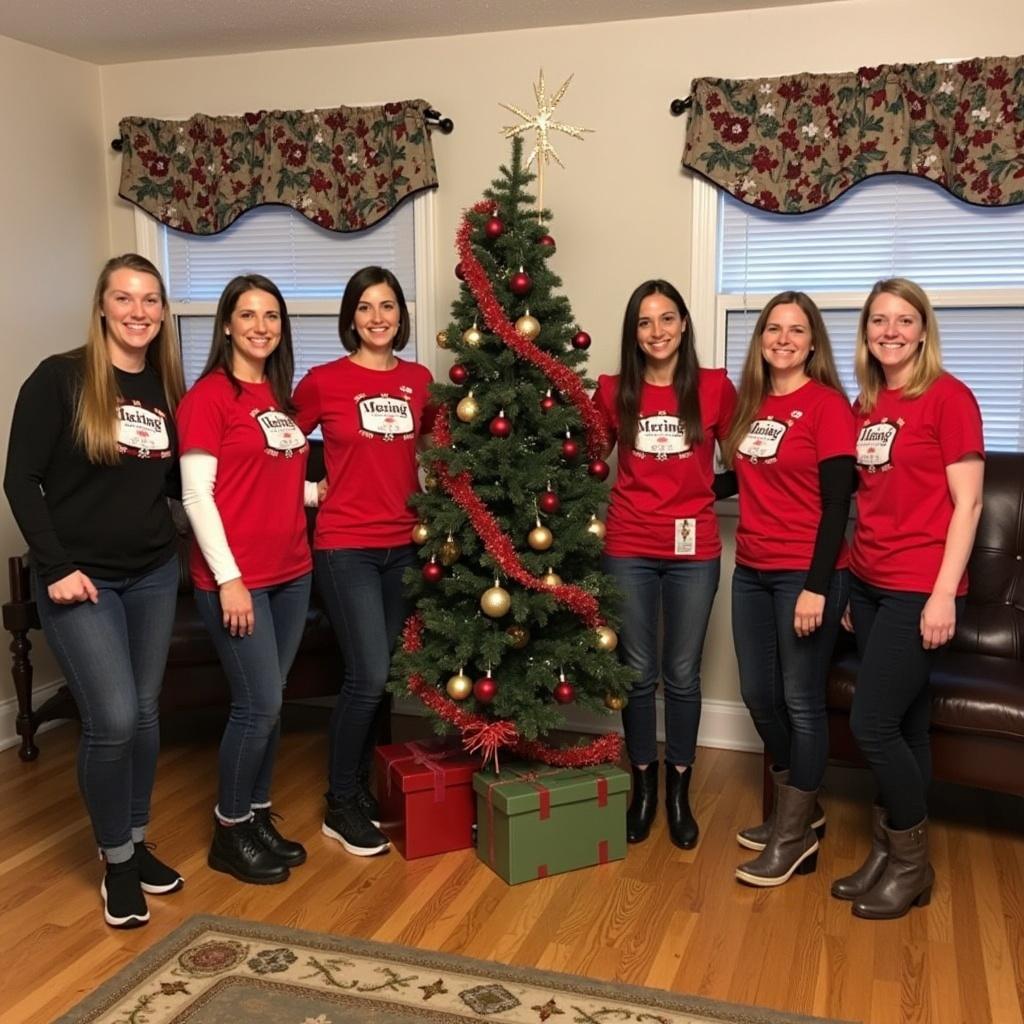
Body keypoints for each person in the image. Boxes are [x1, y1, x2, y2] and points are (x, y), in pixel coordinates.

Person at [4, 254, 185, 928]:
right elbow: (21, 479)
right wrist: (55, 567)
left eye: (150, 299)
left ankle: (136, 844)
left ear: (162, 311)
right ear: (103, 306)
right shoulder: (60, 379)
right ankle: (115, 862)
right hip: (81, 581)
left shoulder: (166, 385)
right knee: (110, 718)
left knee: (142, 711)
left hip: (154, 574)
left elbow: (172, 484)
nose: (138, 311)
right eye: (124, 297)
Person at [833, 278, 983, 919]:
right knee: (907, 723)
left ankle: (912, 863)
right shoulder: (866, 401)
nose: (889, 331)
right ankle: (887, 854)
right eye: (878, 321)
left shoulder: (949, 399)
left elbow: (969, 503)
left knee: (870, 723)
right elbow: (863, 503)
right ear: (866, 332)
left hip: (919, 586)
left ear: (923, 329)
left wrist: (944, 593)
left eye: (903, 320)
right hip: (868, 581)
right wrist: (848, 581)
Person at [293, 265, 434, 857]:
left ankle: (364, 790)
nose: (379, 318)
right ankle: (339, 802)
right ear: (350, 317)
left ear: (401, 316)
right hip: (345, 546)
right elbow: (274, 448)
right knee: (367, 675)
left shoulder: (420, 380)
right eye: (367, 307)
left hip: (403, 545)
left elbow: (437, 449)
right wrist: (307, 492)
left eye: (389, 306)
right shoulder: (322, 382)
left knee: (384, 677)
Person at [177, 275, 314, 885]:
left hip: (292, 571)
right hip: (239, 580)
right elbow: (196, 496)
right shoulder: (209, 397)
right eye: (248, 315)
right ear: (227, 325)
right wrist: (229, 579)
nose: (261, 326)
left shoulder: (278, 397)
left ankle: (257, 815)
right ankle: (229, 830)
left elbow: (272, 478)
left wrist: (317, 492)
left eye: (272, 316)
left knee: (273, 702)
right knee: (257, 704)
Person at [593, 280, 736, 849]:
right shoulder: (612, 392)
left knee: (681, 674)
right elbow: (587, 464)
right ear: (634, 333)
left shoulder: (715, 388)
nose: (657, 332)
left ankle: (679, 789)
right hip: (628, 545)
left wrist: (702, 487)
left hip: (693, 550)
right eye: (645, 322)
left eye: (667, 319)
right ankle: (643, 787)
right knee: (636, 672)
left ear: (683, 325)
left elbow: (747, 459)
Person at [721, 292, 856, 887]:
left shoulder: (827, 407)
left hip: (807, 575)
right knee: (757, 695)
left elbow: (836, 507)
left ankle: (793, 835)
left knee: (802, 701)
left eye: (795, 330)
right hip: (750, 569)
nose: (782, 339)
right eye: (773, 328)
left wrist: (817, 587)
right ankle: (804, 810)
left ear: (812, 341)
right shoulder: (750, 406)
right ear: (761, 341)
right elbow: (734, 479)